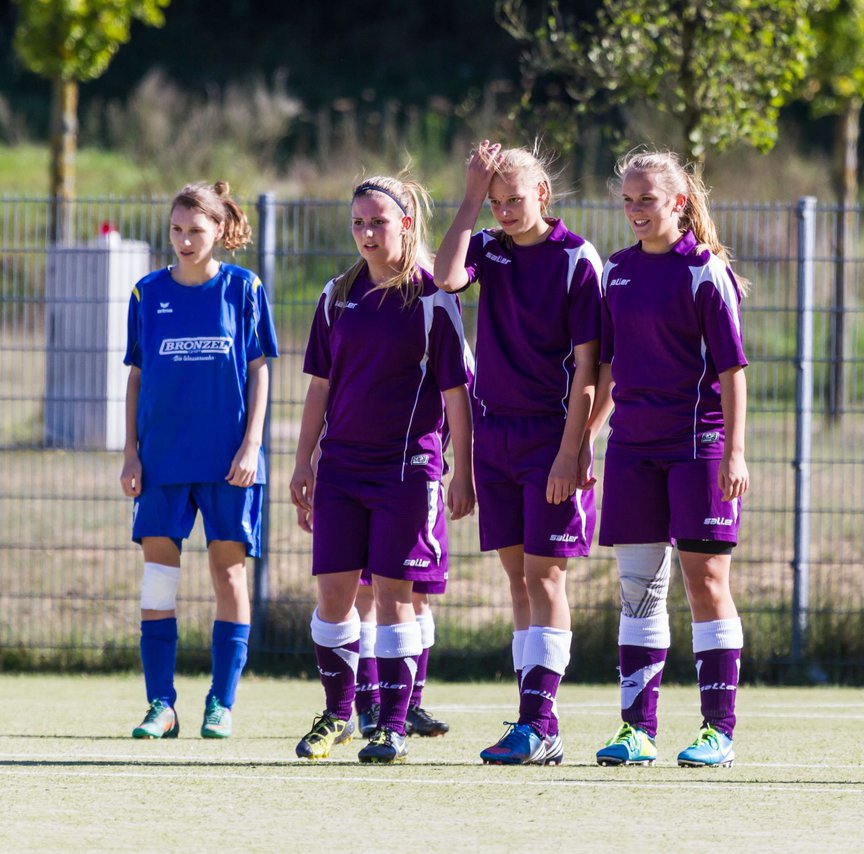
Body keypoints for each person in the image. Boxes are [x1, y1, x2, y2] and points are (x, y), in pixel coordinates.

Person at [290, 173, 474, 764]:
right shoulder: (335, 295)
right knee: (334, 598)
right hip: (340, 469)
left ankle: (392, 724)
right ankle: (337, 714)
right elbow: (319, 387)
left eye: (379, 222)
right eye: (359, 223)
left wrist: (461, 471)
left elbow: (456, 398)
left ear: (407, 225)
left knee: (396, 597)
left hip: (406, 472)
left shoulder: (431, 299)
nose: (367, 234)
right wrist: (303, 461)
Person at [435, 141, 603, 766]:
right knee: (516, 577)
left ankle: (539, 721)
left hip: (549, 436)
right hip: (493, 435)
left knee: (545, 574)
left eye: (515, 199)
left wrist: (573, 449)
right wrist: (472, 194)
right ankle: (535, 719)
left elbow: (591, 367)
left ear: (544, 197)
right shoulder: (487, 247)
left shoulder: (576, 258)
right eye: (497, 201)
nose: (505, 211)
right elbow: (446, 277)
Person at [591, 150, 750, 769]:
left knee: (705, 583)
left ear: (678, 203)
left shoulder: (705, 272)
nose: (635, 210)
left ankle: (719, 730)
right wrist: (584, 443)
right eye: (627, 200)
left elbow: (734, 372)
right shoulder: (617, 271)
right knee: (637, 592)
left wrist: (734, 453)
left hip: (698, 448)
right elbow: (606, 368)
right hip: (632, 449)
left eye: (646, 199)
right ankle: (638, 730)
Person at [120, 181, 278, 740]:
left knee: (228, 573)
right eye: (177, 230)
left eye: (196, 230)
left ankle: (221, 702)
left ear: (219, 231)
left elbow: (259, 368)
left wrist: (252, 443)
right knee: (159, 581)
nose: (185, 240)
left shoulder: (244, 288)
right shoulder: (146, 293)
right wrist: (131, 453)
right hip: (161, 461)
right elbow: (137, 376)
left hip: (228, 461)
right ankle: (161, 704)